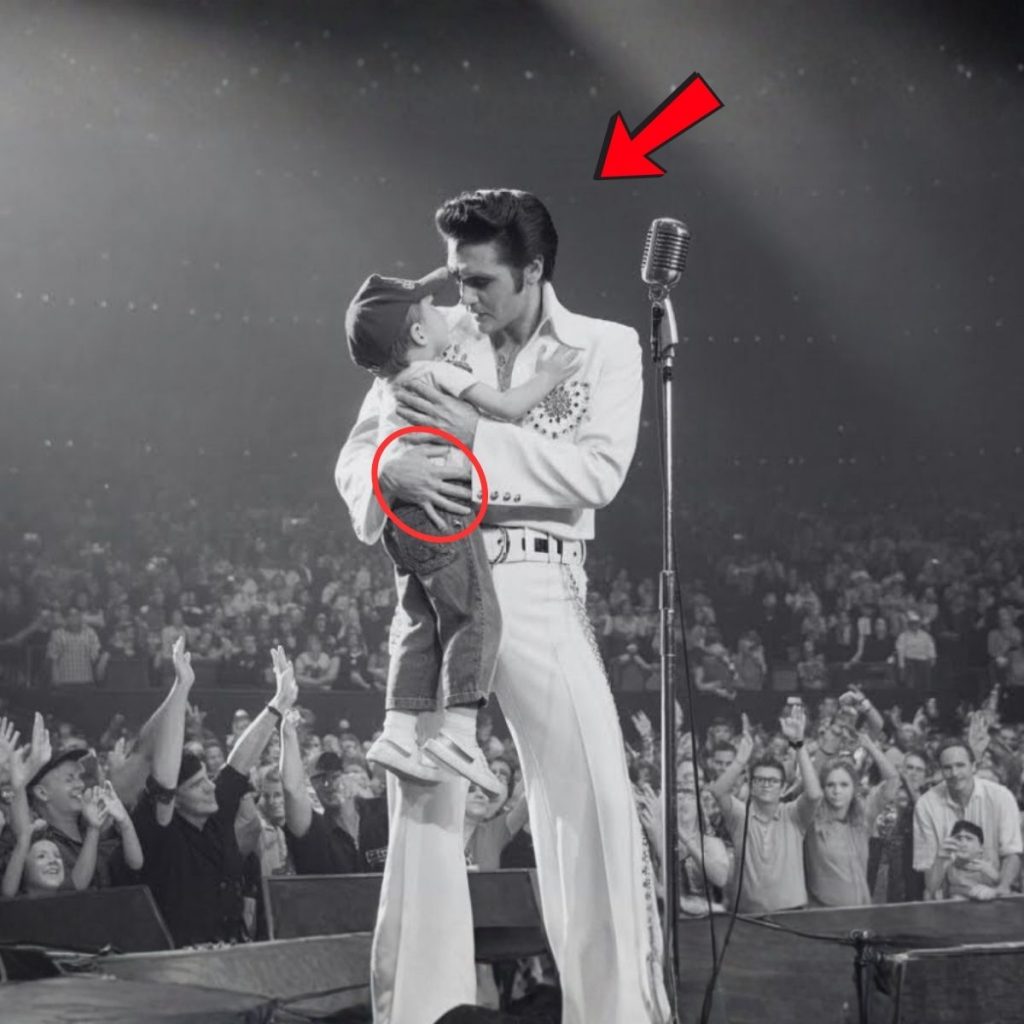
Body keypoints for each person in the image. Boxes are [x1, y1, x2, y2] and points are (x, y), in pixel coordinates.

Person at [335, 188, 670, 1024]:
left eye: (481, 280)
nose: (465, 296)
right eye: (457, 277)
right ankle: (419, 1013)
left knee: (593, 807)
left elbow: (598, 472)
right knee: (424, 807)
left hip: (541, 581)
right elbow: (356, 453)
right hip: (438, 581)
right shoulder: (436, 335)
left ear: (533, 269)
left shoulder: (605, 345)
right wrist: (387, 471)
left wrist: (478, 440)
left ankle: (617, 1015)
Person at [345, 267, 580, 796]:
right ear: (419, 331)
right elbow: (508, 407)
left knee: (422, 624)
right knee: (477, 615)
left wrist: (444, 271)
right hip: (442, 512)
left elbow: (409, 308)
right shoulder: (435, 370)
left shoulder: (392, 376)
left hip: (403, 523)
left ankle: (396, 733)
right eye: (433, 307)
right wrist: (549, 375)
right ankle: (459, 735)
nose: (447, 306)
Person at [132, 638, 298, 946]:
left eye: (207, 779)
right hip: (181, 959)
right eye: (197, 785)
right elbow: (164, 780)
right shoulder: (161, 832)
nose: (210, 787)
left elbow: (238, 764)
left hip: (231, 950)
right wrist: (181, 688)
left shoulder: (214, 813)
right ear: (175, 800)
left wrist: (278, 703)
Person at [709, 707, 822, 913]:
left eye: (773, 781)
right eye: (760, 780)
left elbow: (814, 794)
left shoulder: (794, 814)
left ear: (783, 788)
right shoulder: (740, 815)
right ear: (751, 785)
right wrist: (740, 760)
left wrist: (798, 744)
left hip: (792, 911)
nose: (766, 784)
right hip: (748, 913)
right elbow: (718, 791)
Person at [913, 739, 1022, 901]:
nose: (955, 773)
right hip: (950, 900)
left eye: (960, 765)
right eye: (947, 768)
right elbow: (930, 884)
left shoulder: (1001, 796)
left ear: (974, 766)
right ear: (940, 770)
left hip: (995, 894)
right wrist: (941, 859)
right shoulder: (926, 804)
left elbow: (1012, 853)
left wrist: (1000, 888)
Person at [803, 732, 900, 907]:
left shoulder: (863, 817)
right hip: (823, 913)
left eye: (844, 785)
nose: (837, 791)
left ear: (854, 788)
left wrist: (870, 746)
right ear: (823, 789)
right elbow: (810, 790)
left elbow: (893, 780)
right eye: (830, 785)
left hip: (860, 911)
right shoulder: (813, 821)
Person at [941, 820, 1002, 901]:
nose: (963, 844)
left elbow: (1008, 892)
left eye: (969, 839)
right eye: (958, 839)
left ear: (981, 848)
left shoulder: (990, 867)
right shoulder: (949, 869)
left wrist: (994, 889)